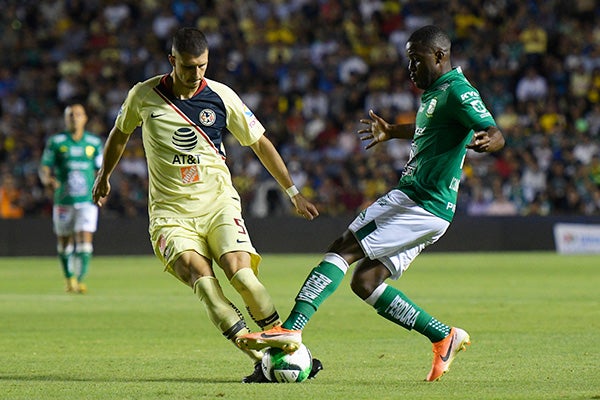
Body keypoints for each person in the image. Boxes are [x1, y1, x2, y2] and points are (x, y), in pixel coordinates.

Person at [237, 25, 505, 382]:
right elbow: (432, 128)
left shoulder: (458, 90)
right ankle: (443, 335)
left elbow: (493, 129)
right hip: (427, 206)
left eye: (416, 60)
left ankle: (292, 327)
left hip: (419, 201)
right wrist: (393, 131)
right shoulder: (435, 93)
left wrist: (491, 139)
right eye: (408, 60)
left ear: (439, 56)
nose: (410, 68)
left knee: (342, 248)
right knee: (366, 281)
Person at [91, 27, 321, 383]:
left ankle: (288, 346)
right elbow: (119, 133)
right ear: (172, 61)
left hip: (218, 205)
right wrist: (104, 175)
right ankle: (263, 358)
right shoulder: (144, 95)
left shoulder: (221, 96)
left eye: (201, 66)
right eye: (187, 67)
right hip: (170, 215)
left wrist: (293, 192)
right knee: (204, 282)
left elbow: (260, 143)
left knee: (242, 275)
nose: (195, 74)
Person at [39, 103, 104, 294]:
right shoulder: (57, 142)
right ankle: (69, 278)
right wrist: (47, 180)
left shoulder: (93, 142)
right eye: (70, 115)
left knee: (85, 237)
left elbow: (100, 169)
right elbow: (44, 167)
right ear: (65, 119)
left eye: (78, 114)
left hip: (87, 200)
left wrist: (103, 187)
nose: (74, 118)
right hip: (64, 200)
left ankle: (80, 280)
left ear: (85, 118)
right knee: (65, 241)